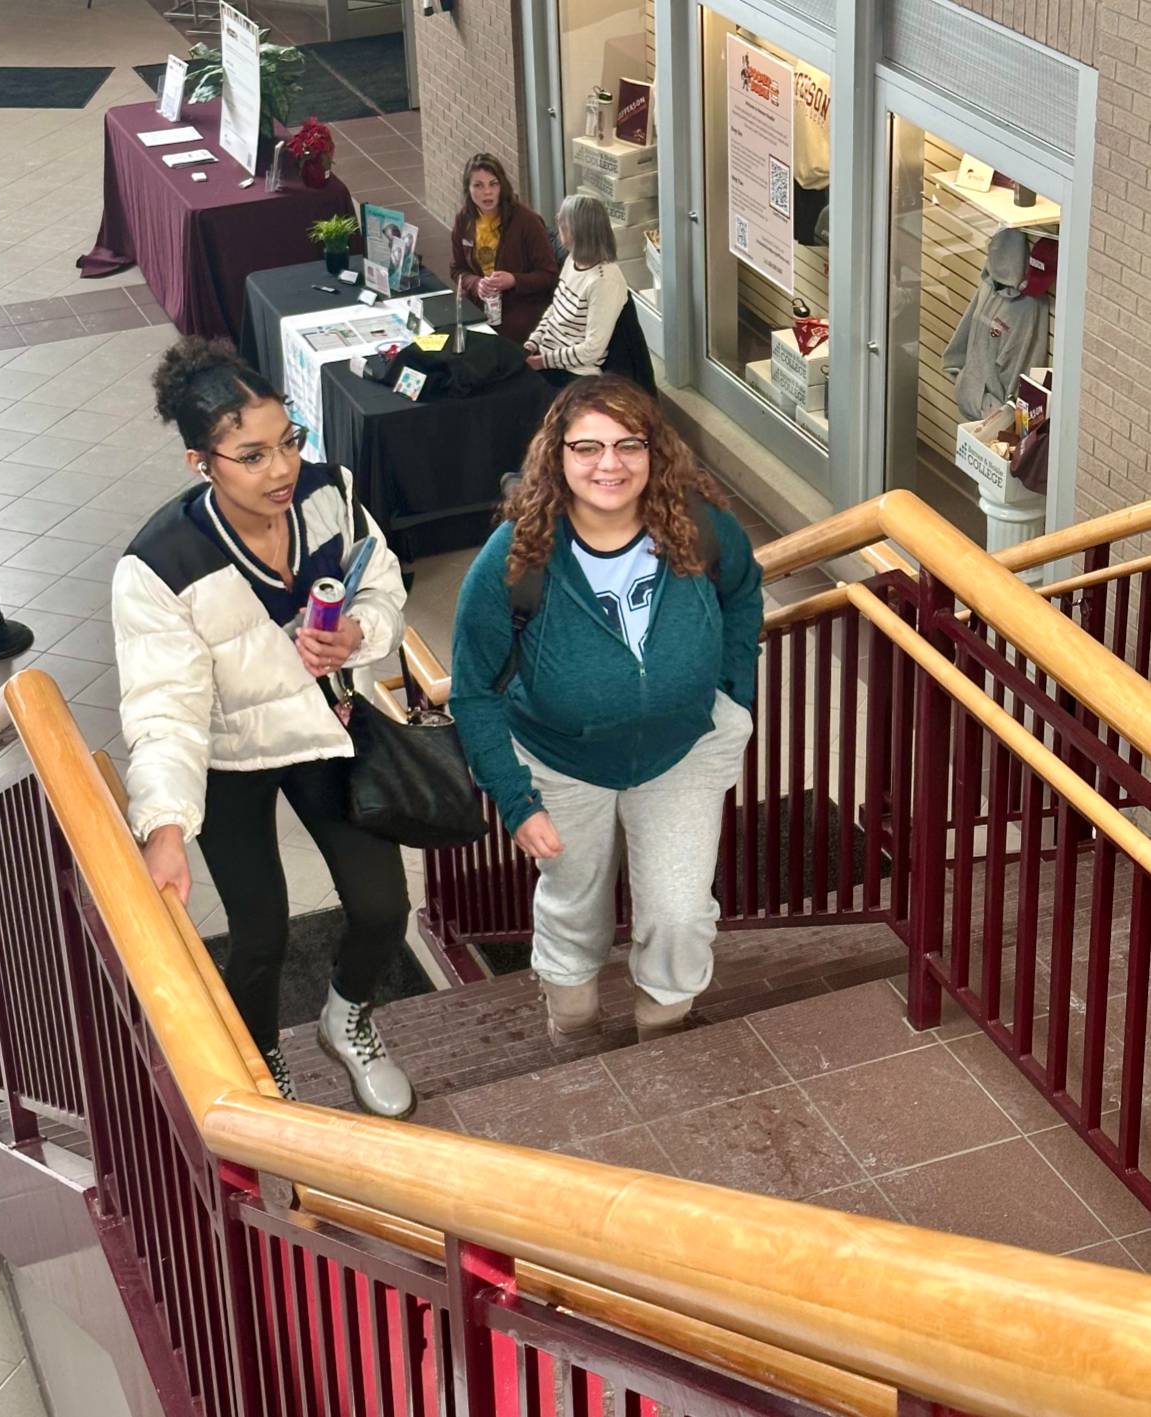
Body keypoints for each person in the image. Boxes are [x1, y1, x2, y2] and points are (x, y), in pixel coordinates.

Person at [111, 336, 415, 1118]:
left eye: (289, 441)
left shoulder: (329, 493)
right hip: (229, 758)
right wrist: (166, 824)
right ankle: (261, 1057)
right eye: (250, 455)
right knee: (258, 934)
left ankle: (344, 1019)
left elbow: (379, 579)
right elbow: (164, 708)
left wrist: (358, 634)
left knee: (384, 908)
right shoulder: (159, 565)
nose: (280, 469)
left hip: (321, 729)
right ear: (199, 463)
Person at [450, 376, 763, 1044]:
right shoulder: (514, 557)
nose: (609, 464)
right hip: (561, 763)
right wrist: (515, 799)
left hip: (681, 751)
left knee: (679, 910)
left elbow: (742, 592)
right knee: (573, 905)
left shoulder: (697, 525)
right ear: (556, 458)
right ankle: (576, 1034)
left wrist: (735, 691)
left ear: (654, 452)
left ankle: (663, 1029)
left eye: (628, 444)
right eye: (586, 447)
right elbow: (473, 690)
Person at [449, 152, 558, 343]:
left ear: (503, 186)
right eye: (478, 186)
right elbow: (457, 270)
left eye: (493, 184)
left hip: (520, 308)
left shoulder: (527, 221)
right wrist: (476, 283)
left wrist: (514, 280)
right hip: (480, 304)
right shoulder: (463, 220)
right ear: (468, 189)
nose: (487, 192)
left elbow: (549, 275)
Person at [524, 194, 629, 385]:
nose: (558, 221)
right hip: (549, 357)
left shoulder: (604, 281)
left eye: (564, 220)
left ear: (580, 231)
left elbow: (592, 350)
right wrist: (533, 342)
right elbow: (555, 309)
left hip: (575, 371)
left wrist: (541, 362)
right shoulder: (573, 258)